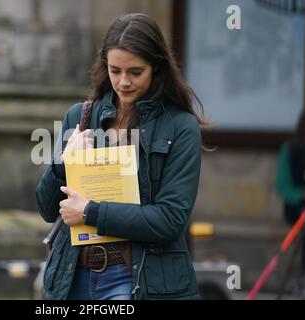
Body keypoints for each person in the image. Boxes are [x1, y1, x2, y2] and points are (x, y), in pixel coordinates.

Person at [35, 13, 207, 300]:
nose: (123, 82)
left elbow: (170, 219)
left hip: (135, 279)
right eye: (115, 71)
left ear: (156, 67)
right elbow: (46, 209)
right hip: (71, 277)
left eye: (135, 72)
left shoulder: (181, 127)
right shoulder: (79, 117)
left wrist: (90, 212)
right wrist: (64, 161)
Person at [276, 110, 305, 282]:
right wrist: (302, 194)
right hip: (297, 208)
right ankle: (304, 276)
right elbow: (282, 186)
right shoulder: (290, 150)